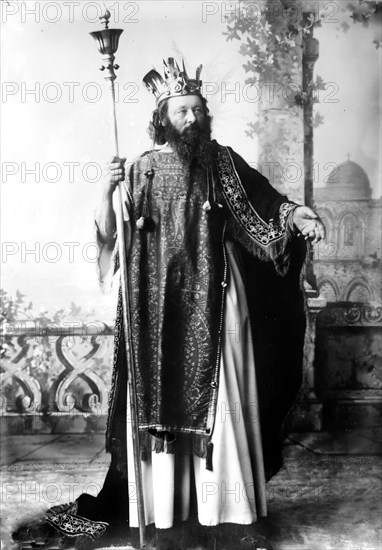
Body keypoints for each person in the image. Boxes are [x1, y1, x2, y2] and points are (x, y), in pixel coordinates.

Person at [13, 58, 325, 550]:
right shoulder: (138, 169)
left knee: (222, 407)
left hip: (218, 303)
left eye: (199, 110)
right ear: (162, 117)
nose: (194, 119)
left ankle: (228, 513)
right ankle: (163, 513)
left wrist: (296, 214)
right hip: (155, 310)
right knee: (159, 403)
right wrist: (106, 188)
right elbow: (108, 235)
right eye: (183, 111)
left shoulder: (222, 162)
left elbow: (264, 204)